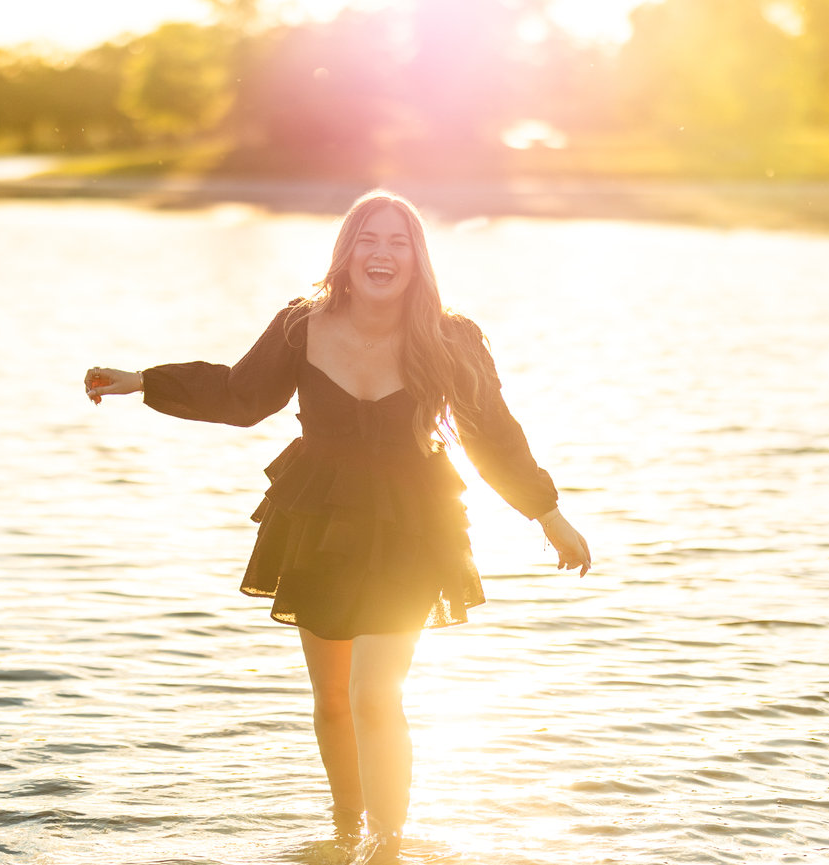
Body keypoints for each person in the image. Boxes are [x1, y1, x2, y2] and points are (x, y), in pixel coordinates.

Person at [83, 190, 591, 862]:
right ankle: (345, 833)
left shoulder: (449, 337)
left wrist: (548, 514)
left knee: (374, 693)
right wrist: (144, 381)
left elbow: (494, 437)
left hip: (413, 525)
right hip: (318, 520)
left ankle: (387, 846)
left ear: (417, 257)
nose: (381, 254)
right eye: (367, 240)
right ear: (346, 253)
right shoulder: (301, 325)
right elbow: (241, 395)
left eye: (398, 241)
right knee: (332, 701)